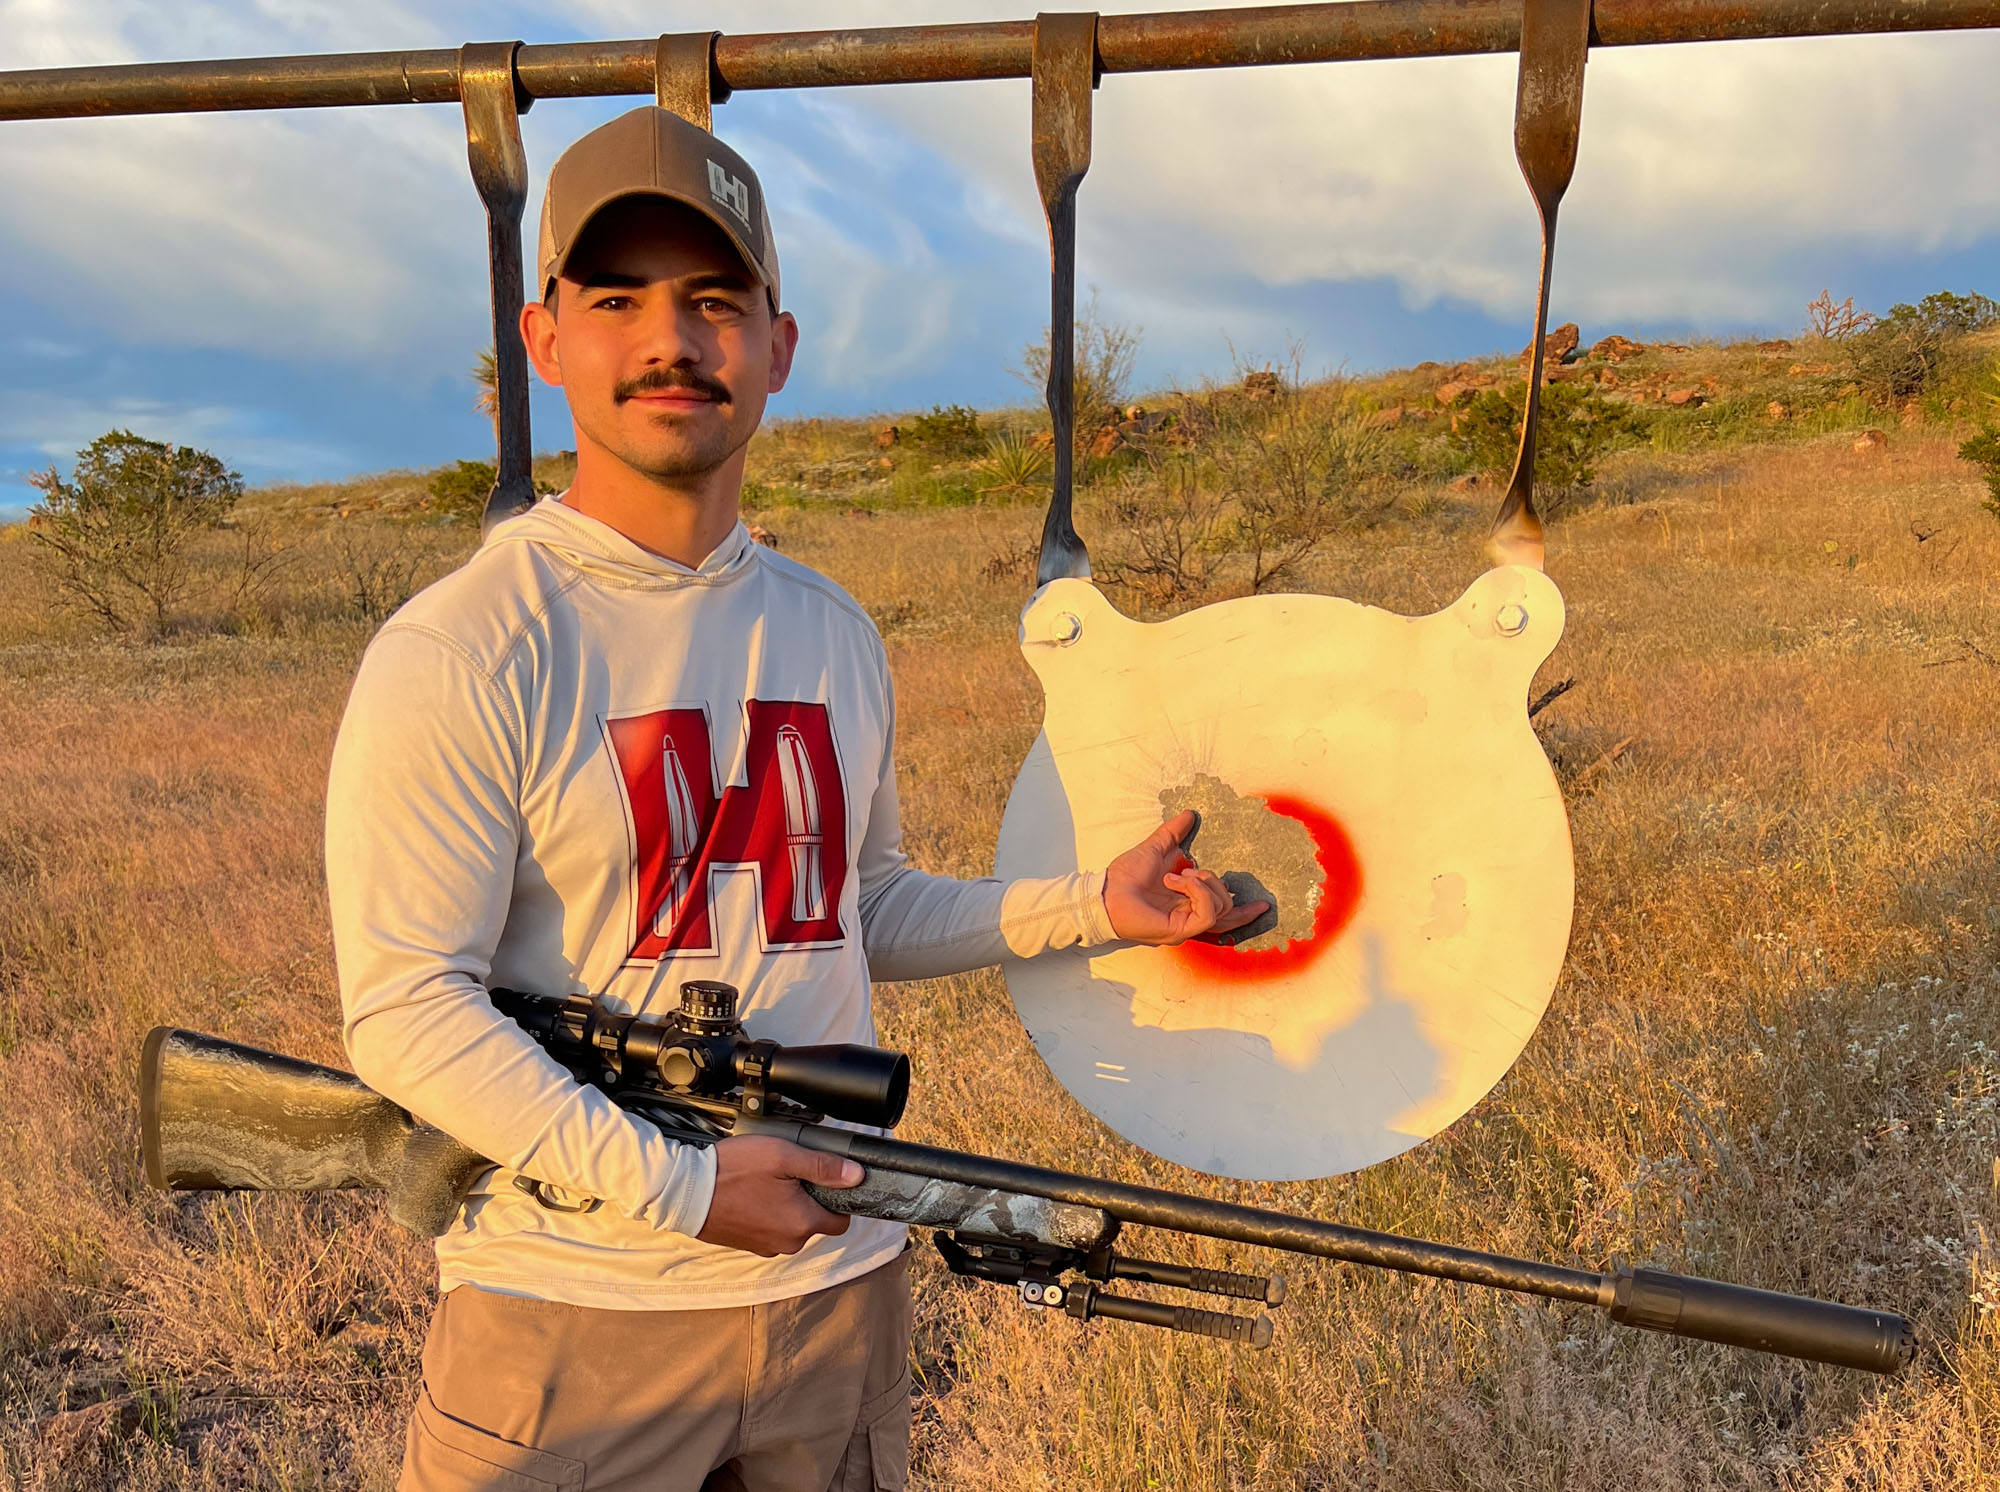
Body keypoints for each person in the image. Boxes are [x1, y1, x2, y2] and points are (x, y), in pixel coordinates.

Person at [325, 105, 1265, 1492]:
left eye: (714, 300)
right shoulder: (469, 644)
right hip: (577, 1328)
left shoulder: (831, 632)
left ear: (778, 347)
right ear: (544, 343)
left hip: (834, 1298)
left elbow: (859, 908)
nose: (670, 340)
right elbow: (406, 1009)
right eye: (618, 299)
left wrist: (1099, 907)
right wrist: (688, 1188)